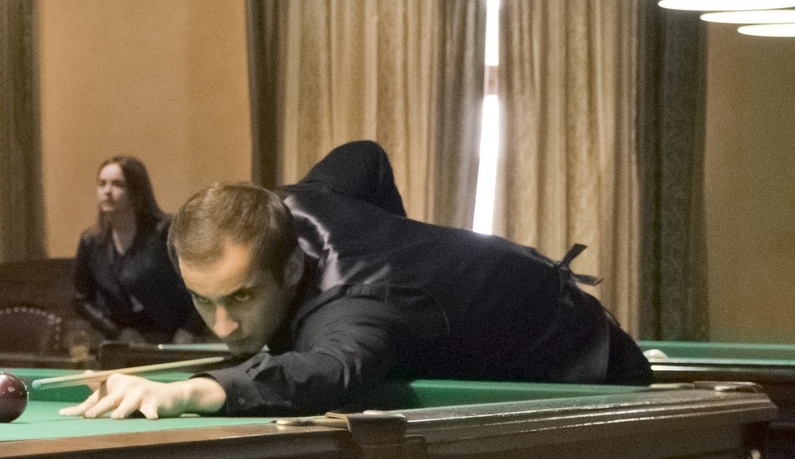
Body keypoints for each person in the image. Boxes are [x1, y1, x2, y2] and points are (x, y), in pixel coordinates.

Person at [68, 140, 649, 421]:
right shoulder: (288, 207)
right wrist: (398, 238)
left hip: (577, 347)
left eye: (241, 296)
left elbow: (329, 370)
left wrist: (189, 390)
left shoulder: (356, 308)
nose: (221, 326)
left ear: (289, 267)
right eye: (203, 299)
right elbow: (364, 157)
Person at [71, 155, 201, 343]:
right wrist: (118, 333)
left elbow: (201, 285)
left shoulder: (165, 232)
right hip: (123, 341)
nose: (107, 191)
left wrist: (189, 330)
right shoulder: (91, 241)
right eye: (102, 184)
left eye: (117, 184)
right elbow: (81, 299)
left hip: (173, 338)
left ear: (136, 191)